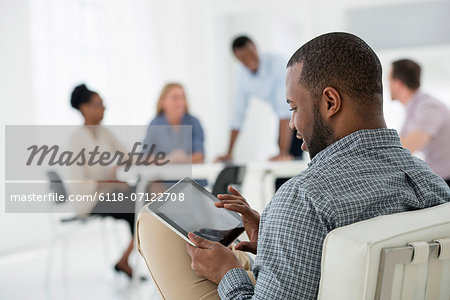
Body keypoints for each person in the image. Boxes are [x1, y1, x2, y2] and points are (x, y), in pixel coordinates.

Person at [135, 32, 450, 299]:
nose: (293, 123)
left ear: (329, 103)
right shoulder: (433, 184)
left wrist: (227, 272)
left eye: (294, 107)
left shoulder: (303, 200)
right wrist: (276, 236)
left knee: (153, 224)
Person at [69, 83, 138, 279]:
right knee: (139, 204)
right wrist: (113, 183)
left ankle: (125, 259)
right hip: (89, 200)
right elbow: (79, 184)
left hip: (109, 193)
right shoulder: (76, 140)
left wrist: (124, 165)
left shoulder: (104, 132)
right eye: (99, 104)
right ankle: (126, 259)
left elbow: (127, 155)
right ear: (85, 108)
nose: (104, 107)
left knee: (144, 201)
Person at [216, 35, 303, 162]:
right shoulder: (242, 75)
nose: (248, 59)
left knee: (290, 160)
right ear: (237, 59)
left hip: (300, 111)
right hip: (289, 116)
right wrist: (229, 153)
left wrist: (282, 152)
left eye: (250, 53)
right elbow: (238, 114)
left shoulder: (277, 63)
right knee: (282, 172)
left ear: (255, 47)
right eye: (242, 57)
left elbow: (284, 109)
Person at [389, 59, 450, 187]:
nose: (387, 86)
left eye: (389, 80)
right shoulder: (413, 108)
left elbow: (406, 149)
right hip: (440, 177)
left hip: (446, 179)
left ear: (398, 84)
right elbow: (398, 146)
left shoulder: (429, 107)